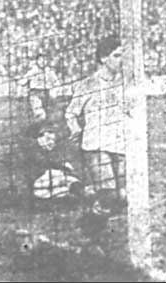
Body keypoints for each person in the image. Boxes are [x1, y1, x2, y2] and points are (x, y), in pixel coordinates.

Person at [65, 36, 128, 242]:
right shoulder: (88, 84)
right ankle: (91, 232)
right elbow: (71, 113)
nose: (121, 60)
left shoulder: (125, 84)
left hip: (119, 144)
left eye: (123, 55)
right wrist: (75, 130)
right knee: (109, 193)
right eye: (117, 55)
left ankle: (90, 221)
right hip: (95, 145)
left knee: (123, 197)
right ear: (103, 58)